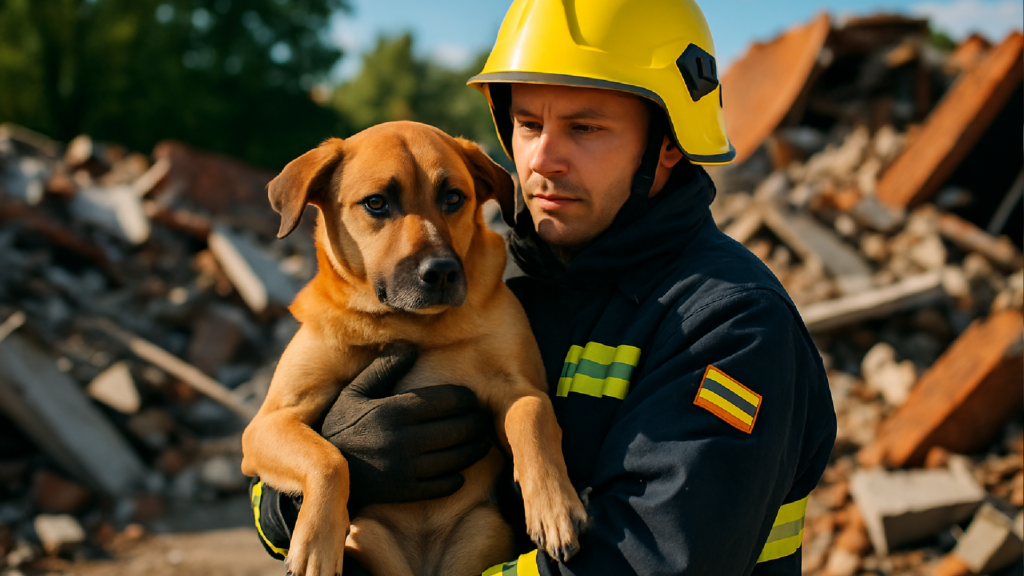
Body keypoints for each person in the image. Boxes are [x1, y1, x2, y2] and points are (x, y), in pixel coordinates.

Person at [250, 0, 837, 574]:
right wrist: (317, 485)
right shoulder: (503, 283)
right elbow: (267, 483)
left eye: (585, 127)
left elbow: (653, 557)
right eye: (528, 124)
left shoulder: (731, 324)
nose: (543, 159)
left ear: (669, 144)